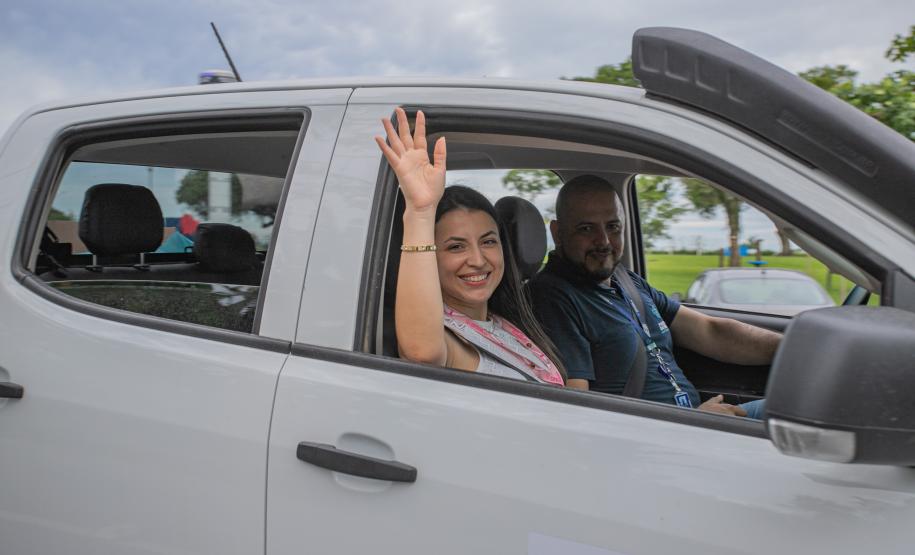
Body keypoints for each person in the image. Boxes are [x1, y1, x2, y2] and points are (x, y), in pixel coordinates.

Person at [529, 175, 781, 417]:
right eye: (586, 229)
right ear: (558, 233)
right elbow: (577, 413)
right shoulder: (552, 297)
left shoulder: (626, 280)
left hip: (697, 420)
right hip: (666, 436)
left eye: (613, 227)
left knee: (800, 405)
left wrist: (788, 347)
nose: (603, 241)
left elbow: (710, 331)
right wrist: (695, 422)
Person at [375, 107, 565, 385]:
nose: (477, 259)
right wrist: (420, 212)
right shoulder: (448, 339)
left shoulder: (506, 322)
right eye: (456, 247)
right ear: (430, 256)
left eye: (488, 241)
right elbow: (421, 353)